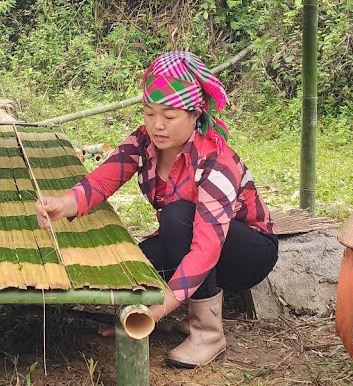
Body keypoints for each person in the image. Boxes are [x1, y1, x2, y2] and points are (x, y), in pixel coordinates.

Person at [35, 50, 278, 368]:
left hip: (247, 254)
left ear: (195, 114)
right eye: (149, 113)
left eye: (169, 116)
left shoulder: (215, 160)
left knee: (178, 215)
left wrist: (159, 308)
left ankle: (207, 333)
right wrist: (63, 204)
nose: (156, 125)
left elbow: (207, 247)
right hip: (187, 235)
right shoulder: (143, 143)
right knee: (140, 261)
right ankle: (167, 318)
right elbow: (103, 179)